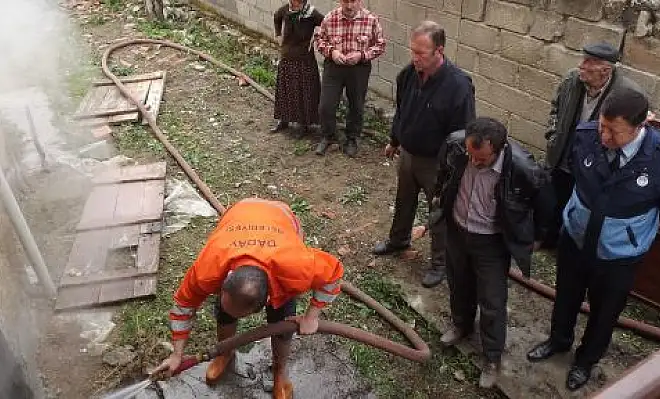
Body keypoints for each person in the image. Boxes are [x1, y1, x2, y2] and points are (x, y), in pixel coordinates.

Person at [527, 87, 660, 391]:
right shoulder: (586, 135)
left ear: (641, 126)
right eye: (602, 125)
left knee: (604, 312)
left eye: (614, 132)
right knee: (566, 296)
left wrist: (624, 223)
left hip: (619, 253)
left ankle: (585, 361)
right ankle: (558, 340)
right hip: (576, 239)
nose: (604, 136)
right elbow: (577, 172)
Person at [155, 198, 344, 399]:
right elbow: (183, 306)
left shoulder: (296, 269)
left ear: (268, 299)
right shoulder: (209, 267)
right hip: (241, 211)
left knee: (282, 323)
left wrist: (311, 317)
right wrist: (176, 355)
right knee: (224, 316)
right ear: (226, 280)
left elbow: (333, 274)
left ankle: (279, 373)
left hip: (281, 218)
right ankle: (225, 354)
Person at [432, 117, 551, 388]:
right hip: (458, 231)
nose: (474, 162)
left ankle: (492, 357)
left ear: (499, 148)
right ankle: (461, 325)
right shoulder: (455, 145)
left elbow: (545, 203)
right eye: (470, 156)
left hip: (491, 243)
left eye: (482, 159)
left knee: (492, 302)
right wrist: (439, 200)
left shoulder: (523, 169)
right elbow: (443, 174)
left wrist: (537, 237)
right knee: (458, 283)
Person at [372, 21, 475, 288]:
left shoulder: (458, 85)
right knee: (404, 199)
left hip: (437, 163)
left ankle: (440, 263)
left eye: (421, 53)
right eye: (412, 51)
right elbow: (402, 111)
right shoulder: (408, 75)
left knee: (439, 212)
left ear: (439, 50)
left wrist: (451, 169)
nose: (415, 58)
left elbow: (462, 133)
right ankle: (398, 241)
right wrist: (394, 141)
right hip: (408, 154)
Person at [542, 42, 643, 249]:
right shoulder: (572, 79)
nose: (581, 65)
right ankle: (547, 240)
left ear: (605, 70)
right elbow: (555, 107)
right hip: (564, 152)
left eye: (588, 62)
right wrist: (553, 134)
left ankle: (568, 245)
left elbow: (633, 128)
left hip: (594, 161)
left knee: (581, 203)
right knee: (553, 199)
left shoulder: (625, 92)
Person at [313, 0, 385, 157]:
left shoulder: (371, 20)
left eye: (353, 1)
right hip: (334, 67)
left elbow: (380, 45)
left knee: (356, 106)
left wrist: (362, 55)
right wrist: (332, 52)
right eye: (346, 1)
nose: (349, 6)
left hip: (359, 68)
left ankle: (352, 138)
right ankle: (328, 136)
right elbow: (319, 39)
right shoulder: (329, 18)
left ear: (360, 1)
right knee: (326, 105)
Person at [271, 0, 324, 138]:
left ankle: (303, 124)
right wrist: (278, 35)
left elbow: (325, 23)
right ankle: (284, 120)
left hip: (304, 60)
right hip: (287, 58)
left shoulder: (311, 12)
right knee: (286, 90)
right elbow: (276, 17)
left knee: (303, 91)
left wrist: (317, 35)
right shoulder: (285, 10)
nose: (295, 2)